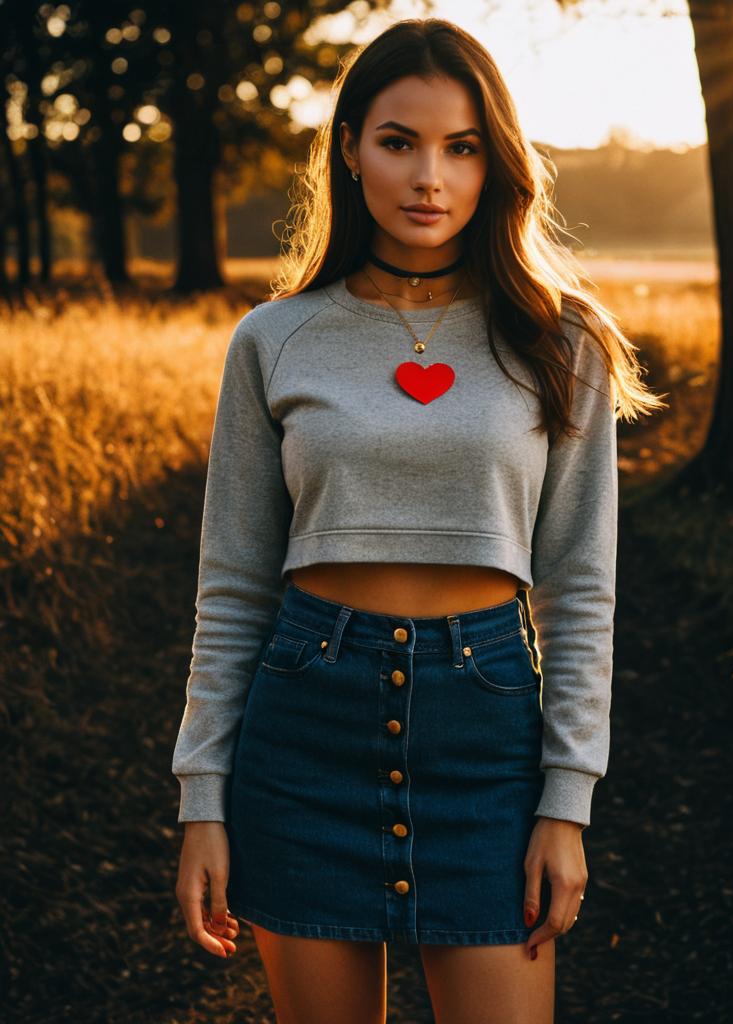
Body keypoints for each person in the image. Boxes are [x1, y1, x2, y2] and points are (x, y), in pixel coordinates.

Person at [172, 17, 663, 1024]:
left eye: (462, 146)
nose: (428, 176)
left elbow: (579, 585)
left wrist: (565, 801)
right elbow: (231, 585)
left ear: (497, 164)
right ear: (350, 149)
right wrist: (203, 798)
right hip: (303, 728)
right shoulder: (273, 340)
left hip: (486, 736)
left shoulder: (558, 339)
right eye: (399, 141)